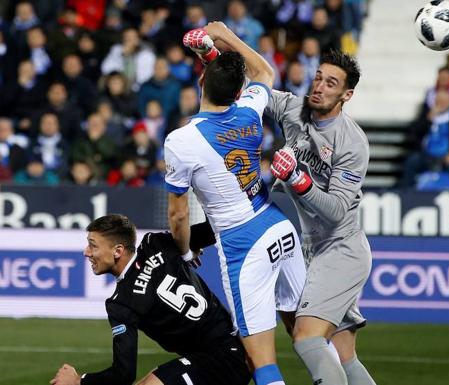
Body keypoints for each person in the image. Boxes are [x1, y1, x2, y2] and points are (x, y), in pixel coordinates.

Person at [165, 23, 306, 385]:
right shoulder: (249, 110)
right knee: (309, 336)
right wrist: (224, 35)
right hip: (278, 226)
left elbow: (178, 214)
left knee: (260, 360)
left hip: (244, 244)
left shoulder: (182, 140)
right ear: (239, 91)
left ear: (200, 84)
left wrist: (183, 254)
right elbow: (264, 71)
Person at [267, 49, 377, 385]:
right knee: (344, 355)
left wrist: (299, 181)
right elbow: (251, 89)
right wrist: (216, 51)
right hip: (309, 251)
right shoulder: (293, 111)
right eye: (319, 78)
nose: (319, 87)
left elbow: (335, 211)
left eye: (331, 83)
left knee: (306, 335)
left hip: (340, 249)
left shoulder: (352, 142)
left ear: (347, 95)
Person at [49, 214, 250, 385]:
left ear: (118, 251)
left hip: (220, 360)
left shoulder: (122, 303)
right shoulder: (155, 243)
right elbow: (209, 230)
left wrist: (79, 380)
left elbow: (124, 374)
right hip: (237, 345)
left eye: (92, 246)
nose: (86, 252)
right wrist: (189, 248)